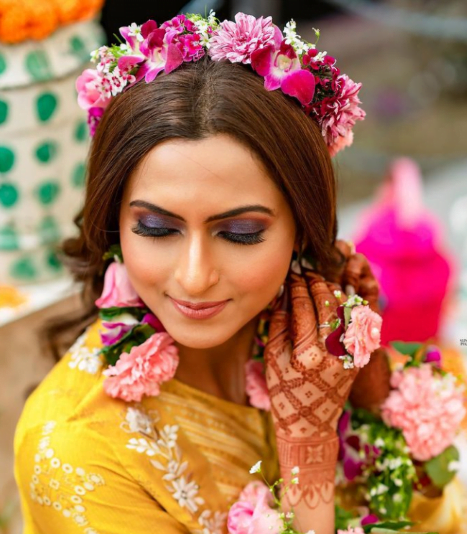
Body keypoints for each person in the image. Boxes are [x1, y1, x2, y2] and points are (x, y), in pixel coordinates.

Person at [14, 11, 451, 534]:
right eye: (156, 227)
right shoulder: (76, 451)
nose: (195, 278)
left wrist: (372, 394)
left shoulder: (317, 340)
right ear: (115, 223)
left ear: (303, 230)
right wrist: (307, 448)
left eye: (240, 234)